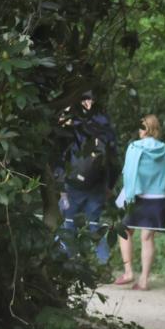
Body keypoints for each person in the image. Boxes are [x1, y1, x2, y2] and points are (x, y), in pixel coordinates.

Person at [114, 114, 165, 291]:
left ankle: (128, 272)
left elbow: (128, 173)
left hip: (137, 197)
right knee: (147, 238)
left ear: (144, 129)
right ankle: (143, 281)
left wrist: (126, 197)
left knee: (124, 231)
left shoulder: (134, 147)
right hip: (158, 199)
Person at [56, 90, 118, 264]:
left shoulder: (69, 124)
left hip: (71, 182)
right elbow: (114, 158)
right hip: (97, 183)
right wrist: (110, 186)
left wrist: (59, 184)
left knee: (68, 223)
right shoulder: (105, 124)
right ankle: (103, 264)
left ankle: (67, 263)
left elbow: (60, 155)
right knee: (94, 225)